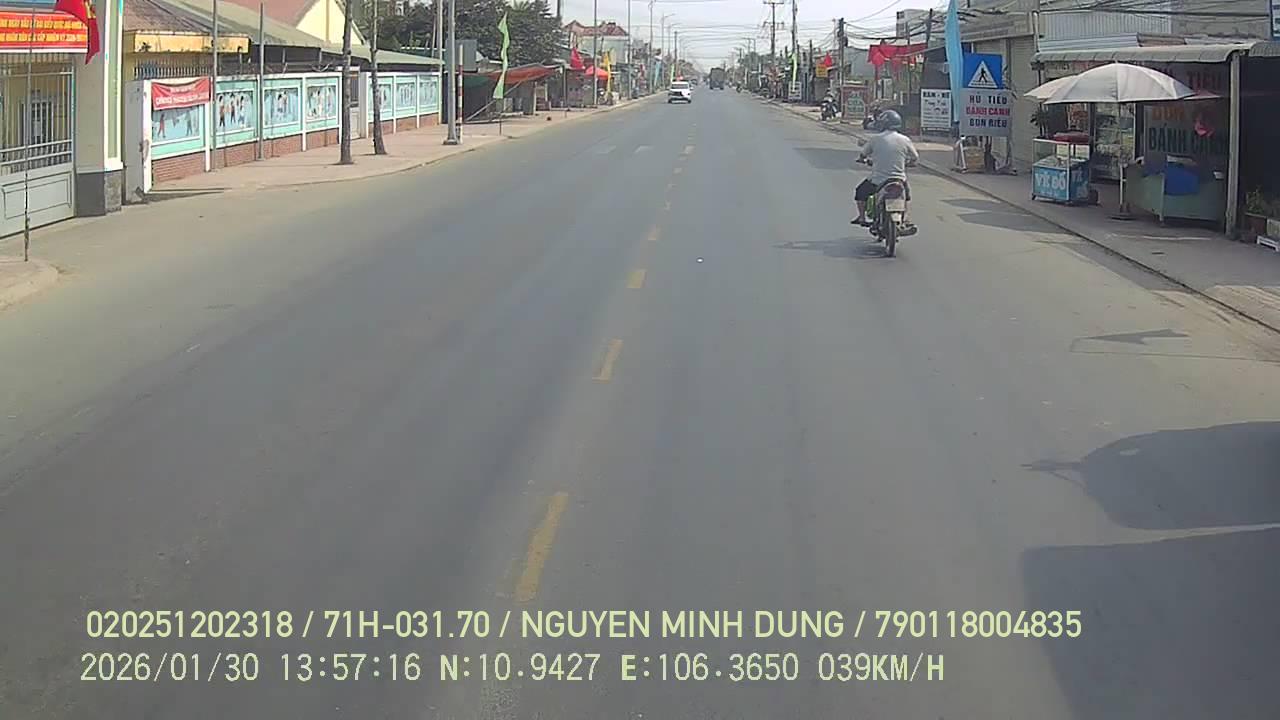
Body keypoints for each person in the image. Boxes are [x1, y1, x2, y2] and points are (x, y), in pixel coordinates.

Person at [852, 109, 919, 227]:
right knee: (906, 197)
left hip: (878, 180)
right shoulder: (905, 139)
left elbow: (863, 154)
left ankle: (862, 217)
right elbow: (915, 157)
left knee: (860, 192)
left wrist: (862, 159)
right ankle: (905, 218)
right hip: (899, 179)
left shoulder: (875, 139)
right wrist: (910, 163)